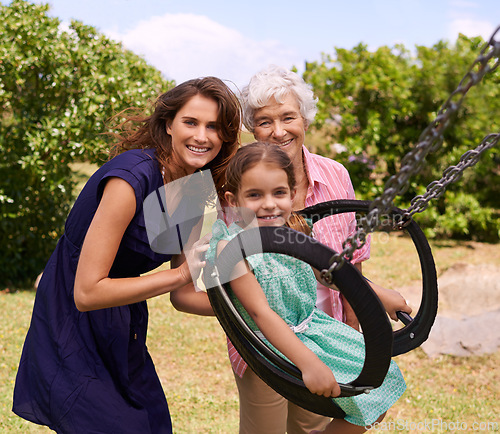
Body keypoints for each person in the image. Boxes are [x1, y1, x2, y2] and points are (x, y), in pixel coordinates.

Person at [12, 77, 241, 433]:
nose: (202, 136)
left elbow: (184, 295)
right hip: (71, 318)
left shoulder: (197, 189)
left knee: (151, 424)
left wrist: (255, 309)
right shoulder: (130, 178)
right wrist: (180, 276)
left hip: (123, 319)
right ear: (168, 125)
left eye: (213, 126)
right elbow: (87, 293)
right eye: (191, 122)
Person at [207, 142, 411, 434]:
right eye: (254, 195)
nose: (269, 204)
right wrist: (309, 364)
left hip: (313, 331)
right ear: (233, 199)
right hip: (269, 349)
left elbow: (331, 273)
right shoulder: (232, 248)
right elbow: (260, 313)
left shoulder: (294, 232)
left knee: (377, 386)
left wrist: (378, 294)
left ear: (292, 194)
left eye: (278, 193)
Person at [219, 64, 373, 433]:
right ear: (251, 129)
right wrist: (259, 303)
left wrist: (356, 318)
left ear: (305, 119)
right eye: (264, 121)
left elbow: (349, 260)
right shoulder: (231, 185)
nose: (278, 130)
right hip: (264, 340)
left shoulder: (336, 174)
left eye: (288, 117)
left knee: (324, 422)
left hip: (326, 331)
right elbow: (203, 286)